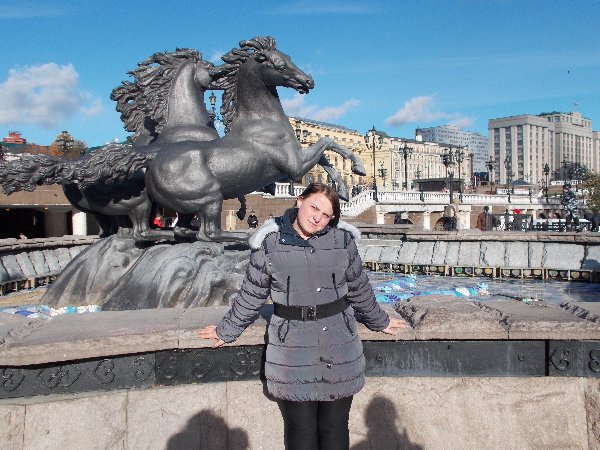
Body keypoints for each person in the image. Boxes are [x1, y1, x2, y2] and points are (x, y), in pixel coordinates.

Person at [198, 183, 407, 450]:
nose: (317, 217)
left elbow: (359, 288)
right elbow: (252, 293)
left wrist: (380, 320)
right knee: (300, 429)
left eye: (326, 214)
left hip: (338, 344)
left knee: (334, 427)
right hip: (292, 347)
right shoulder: (269, 242)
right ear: (299, 201)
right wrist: (226, 330)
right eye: (314, 207)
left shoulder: (343, 241)